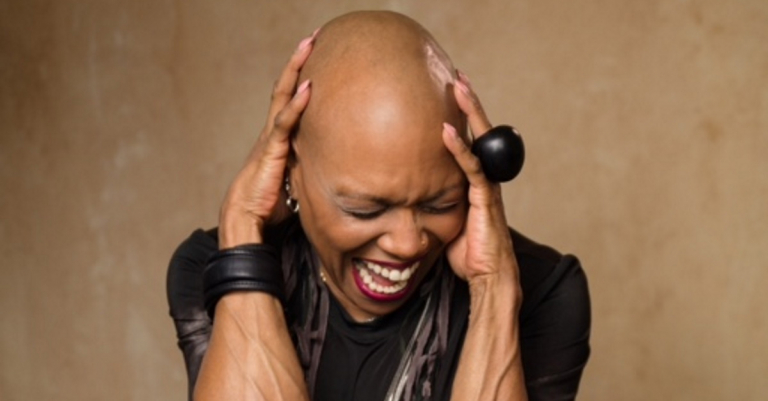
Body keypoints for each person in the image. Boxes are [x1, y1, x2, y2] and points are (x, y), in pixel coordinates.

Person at [167, 10, 590, 401]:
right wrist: (242, 230)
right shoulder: (209, 265)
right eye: (364, 210)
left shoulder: (545, 291)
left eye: (440, 203)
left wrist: (494, 288)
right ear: (290, 171)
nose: (407, 244)